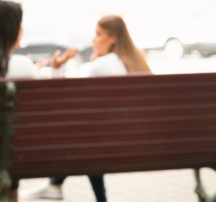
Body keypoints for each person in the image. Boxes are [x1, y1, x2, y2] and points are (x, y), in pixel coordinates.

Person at [23, 15, 151, 202]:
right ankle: (56, 185)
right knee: (89, 137)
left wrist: (57, 69)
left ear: (112, 38)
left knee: (84, 139)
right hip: (137, 143)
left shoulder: (102, 65)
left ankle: (55, 184)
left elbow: (63, 97)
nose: (93, 39)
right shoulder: (137, 62)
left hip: (105, 144)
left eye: (98, 34)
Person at [0, 0, 76, 202]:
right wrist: (49, 70)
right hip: (15, 154)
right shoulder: (23, 66)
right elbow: (49, 105)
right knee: (9, 148)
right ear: (13, 30)